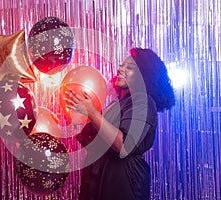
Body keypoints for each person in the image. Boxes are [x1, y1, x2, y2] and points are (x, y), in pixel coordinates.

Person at [64, 48, 175, 200]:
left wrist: (92, 113)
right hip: (98, 180)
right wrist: (79, 115)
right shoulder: (117, 104)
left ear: (143, 75)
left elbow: (124, 145)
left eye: (129, 67)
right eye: (121, 65)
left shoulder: (144, 102)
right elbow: (95, 143)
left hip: (122, 183)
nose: (120, 69)